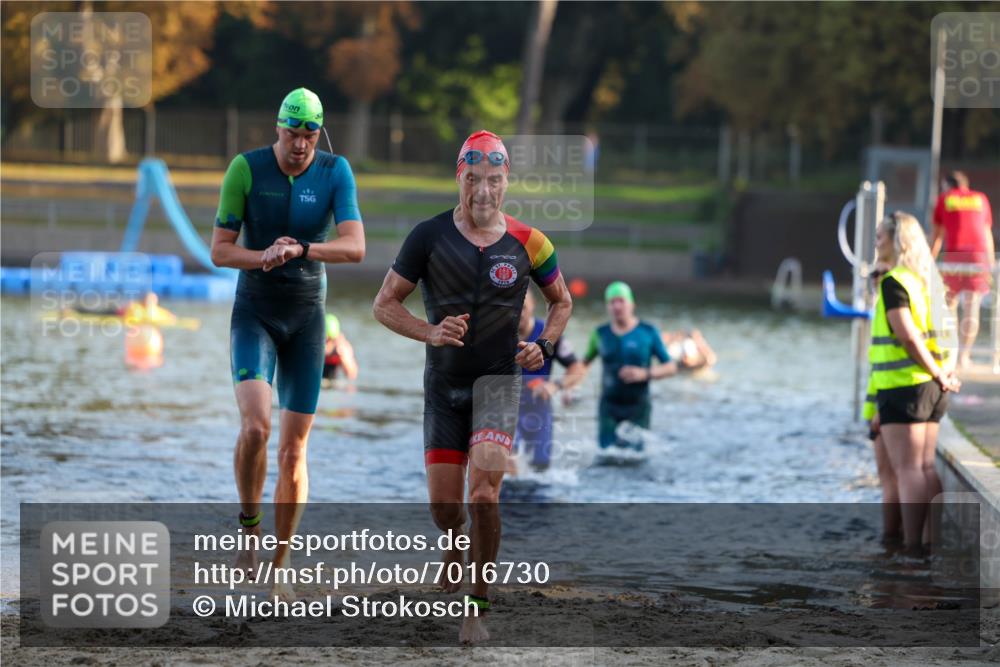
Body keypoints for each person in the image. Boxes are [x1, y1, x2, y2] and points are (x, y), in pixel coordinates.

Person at [372, 130, 572, 644]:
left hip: (498, 385)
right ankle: (453, 541)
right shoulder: (428, 236)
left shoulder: (532, 242)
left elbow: (562, 302)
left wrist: (544, 347)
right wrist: (431, 331)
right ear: (459, 177)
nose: (484, 191)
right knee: (446, 509)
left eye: (495, 180)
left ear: (508, 182)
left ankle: (476, 609)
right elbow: (384, 304)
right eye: (474, 178)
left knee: (484, 493)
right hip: (443, 386)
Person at [210, 87, 365, 600]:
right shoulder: (246, 169)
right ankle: (249, 530)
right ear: (277, 128)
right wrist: (265, 257)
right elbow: (220, 251)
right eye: (293, 133)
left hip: (306, 321)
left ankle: (280, 565)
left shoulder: (334, 171)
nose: (301, 145)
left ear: (319, 134)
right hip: (254, 312)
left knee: (293, 451)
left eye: (310, 135)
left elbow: (356, 246)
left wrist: (303, 249)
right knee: (256, 426)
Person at [867, 211, 960, 551]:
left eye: (880, 237)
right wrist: (944, 373)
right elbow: (948, 337)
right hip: (932, 389)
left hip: (904, 386)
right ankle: (930, 542)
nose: (876, 243)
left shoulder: (896, 282)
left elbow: (907, 336)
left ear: (898, 241)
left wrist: (936, 372)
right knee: (923, 467)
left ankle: (909, 549)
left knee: (907, 470)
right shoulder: (927, 282)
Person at [583, 281, 677, 451]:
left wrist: (645, 373)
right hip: (609, 406)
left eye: (621, 301)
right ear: (607, 306)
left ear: (631, 304)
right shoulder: (600, 334)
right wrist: (567, 388)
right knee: (606, 457)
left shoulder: (648, 332)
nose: (617, 306)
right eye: (612, 302)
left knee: (635, 460)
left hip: (638, 407)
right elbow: (583, 365)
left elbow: (671, 367)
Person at [514, 288, 587, 472]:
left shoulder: (548, 336)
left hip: (539, 411)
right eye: (514, 308)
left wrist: (556, 385)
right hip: (508, 411)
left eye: (523, 308)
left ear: (532, 306)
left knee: (540, 469)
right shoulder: (499, 337)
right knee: (508, 464)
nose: (518, 313)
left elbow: (577, 368)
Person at [930, 171, 995, 368]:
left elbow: (937, 236)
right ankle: (964, 356)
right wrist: (990, 265)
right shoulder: (980, 198)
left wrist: (928, 260)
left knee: (949, 306)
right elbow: (986, 233)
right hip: (978, 258)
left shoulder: (945, 198)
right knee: (971, 308)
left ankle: (951, 352)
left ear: (948, 186)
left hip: (954, 258)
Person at [322, 313, 358, 385]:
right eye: (324, 340)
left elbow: (352, 375)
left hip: (332, 382)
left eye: (330, 340)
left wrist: (342, 357)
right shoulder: (314, 346)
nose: (326, 344)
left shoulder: (342, 347)